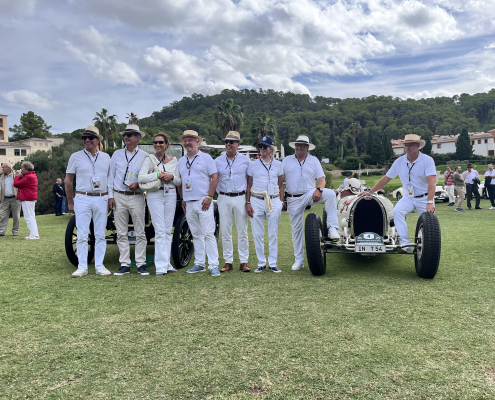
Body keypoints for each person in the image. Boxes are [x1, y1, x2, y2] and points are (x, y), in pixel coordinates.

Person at [359, 134, 436, 252]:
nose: (408, 148)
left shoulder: (427, 160)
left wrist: (430, 201)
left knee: (428, 224)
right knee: (397, 211)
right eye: (406, 145)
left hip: (424, 198)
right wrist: (369, 193)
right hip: (408, 197)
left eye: (411, 145)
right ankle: (405, 244)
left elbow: (432, 181)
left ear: (418, 146)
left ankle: (427, 249)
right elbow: (386, 178)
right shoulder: (399, 161)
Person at [282, 135, 339, 271]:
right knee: (296, 230)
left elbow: (321, 178)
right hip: (292, 197)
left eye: (302, 145)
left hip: (309, 194)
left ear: (307, 147)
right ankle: (299, 260)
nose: (299, 147)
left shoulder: (313, 160)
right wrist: (280, 196)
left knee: (330, 194)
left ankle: (332, 227)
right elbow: (278, 179)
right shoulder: (286, 160)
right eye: (297, 144)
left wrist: (319, 189)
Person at [65, 125, 113, 278]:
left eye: (90, 137)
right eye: (84, 138)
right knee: (82, 234)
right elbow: (68, 180)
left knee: (99, 234)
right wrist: (70, 202)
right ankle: (82, 267)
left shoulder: (106, 157)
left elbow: (111, 179)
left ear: (97, 140)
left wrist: (111, 197)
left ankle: (100, 266)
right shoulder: (75, 156)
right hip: (83, 197)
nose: (86, 140)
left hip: (102, 198)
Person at [177, 130, 220, 277]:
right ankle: (200, 264)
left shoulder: (206, 158)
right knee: (195, 234)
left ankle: (214, 265)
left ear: (197, 142)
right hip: (189, 203)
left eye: (190, 140)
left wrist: (209, 196)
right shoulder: (181, 161)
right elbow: (179, 182)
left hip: (204, 201)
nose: (187, 142)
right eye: (185, 140)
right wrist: (182, 198)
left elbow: (214, 177)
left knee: (209, 233)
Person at [138, 133, 181, 276]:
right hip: (154, 194)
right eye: (155, 142)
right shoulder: (149, 160)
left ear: (167, 144)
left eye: (161, 142)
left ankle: (166, 263)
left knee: (168, 230)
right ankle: (161, 266)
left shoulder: (174, 161)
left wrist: (171, 176)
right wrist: (158, 175)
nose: (158, 145)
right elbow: (141, 178)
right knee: (160, 230)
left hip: (170, 194)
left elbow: (179, 181)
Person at [110, 124, 149, 276]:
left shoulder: (145, 156)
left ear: (138, 138)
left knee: (140, 232)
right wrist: (111, 197)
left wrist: (139, 184)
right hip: (119, 195)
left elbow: (147, 177)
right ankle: (124, 264)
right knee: (121, 232)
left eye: (131, 134)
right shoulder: (117, 154)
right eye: (126, 134)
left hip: (136, 196)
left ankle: (141, 264)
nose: (127, 136)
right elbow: (110, 177)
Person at [246, 136, 284, 273]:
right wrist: (248, 202)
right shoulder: (253, 164)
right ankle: (261, 262)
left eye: (265, 147)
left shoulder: (278, 164)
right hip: (256, 199)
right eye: (261, 146)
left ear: (271, 149)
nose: (262, 149)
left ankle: (272, 262)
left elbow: (280, 185)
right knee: (257, 233)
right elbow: (249, 184)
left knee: (273, 233)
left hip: (273, 200)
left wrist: (281, 201)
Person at [215, 131, 251, 273]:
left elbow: (250, 182)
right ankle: (228, 262)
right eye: (226, 142)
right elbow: (214, 179)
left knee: (242, 230)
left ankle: (244, 262)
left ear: (238, 144)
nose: (228, 144)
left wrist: (248, 201)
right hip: (223, 196)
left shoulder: (246, 160)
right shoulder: (217, 161)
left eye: (231, 142)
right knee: (225, 230)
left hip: (240, 197)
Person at [13, 161, 40, 240]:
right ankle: (34, 234)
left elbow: (16, 184)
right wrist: (21, 175)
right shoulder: (31, 176)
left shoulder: (28, 177)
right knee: (31, 216)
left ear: (26, 169)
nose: (21, 170)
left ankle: (34, 235)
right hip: (30, 198)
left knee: (28, 217)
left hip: (28, 198)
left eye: (22, 169)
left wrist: (17, 176)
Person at [0, 162, 21, 236]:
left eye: (3, 167)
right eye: (2, 167)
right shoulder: (1, 176)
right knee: (2, 215)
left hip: (15, 198)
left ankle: (15, 231)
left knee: (16, 216)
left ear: (9, 168)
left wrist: (20, 173)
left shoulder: (16, 174)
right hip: (4, 198)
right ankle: (1, 232)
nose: (2, 169)